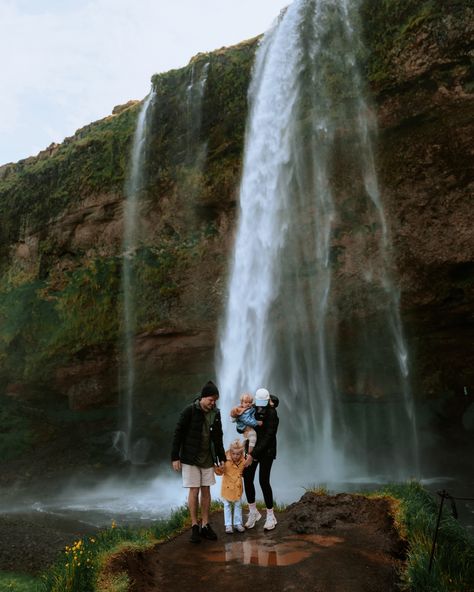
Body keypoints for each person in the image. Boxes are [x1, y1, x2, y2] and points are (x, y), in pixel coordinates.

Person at [171, 380, 225, 544]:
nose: (213, 403)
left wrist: (221, 458)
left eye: (215, 400)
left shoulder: (216, 413)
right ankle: (195, 526)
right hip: (190, 457)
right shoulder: (189, 410)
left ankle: (205, 525)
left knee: (206, 491)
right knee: (194, 491)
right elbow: (178, 433)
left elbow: (218, 437)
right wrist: (175, 456)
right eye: (211, 399)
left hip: (207, 458)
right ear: (203, 397)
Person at [243, 387, 279, 531]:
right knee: (247, 477)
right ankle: (253, 512)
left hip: (267, 451)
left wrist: (252, 455)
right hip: (252, 449)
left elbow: (268, 437)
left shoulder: (272, 413)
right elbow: (242, 427)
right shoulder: (252, 409)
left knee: (263, 481)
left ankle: (271, 515)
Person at [214, 438, 246, 534]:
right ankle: (228, 525)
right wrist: (216, 467)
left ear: (241, 454)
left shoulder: (243, 462)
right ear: (230, 452)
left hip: (237, 488)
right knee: (227, 505)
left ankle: (238, 523)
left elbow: (244, 472)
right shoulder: (225, 461)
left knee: (238, 505)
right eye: (233, 454)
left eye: (238, 454)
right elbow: (220, 472)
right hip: (227, 488)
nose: (235, 456)